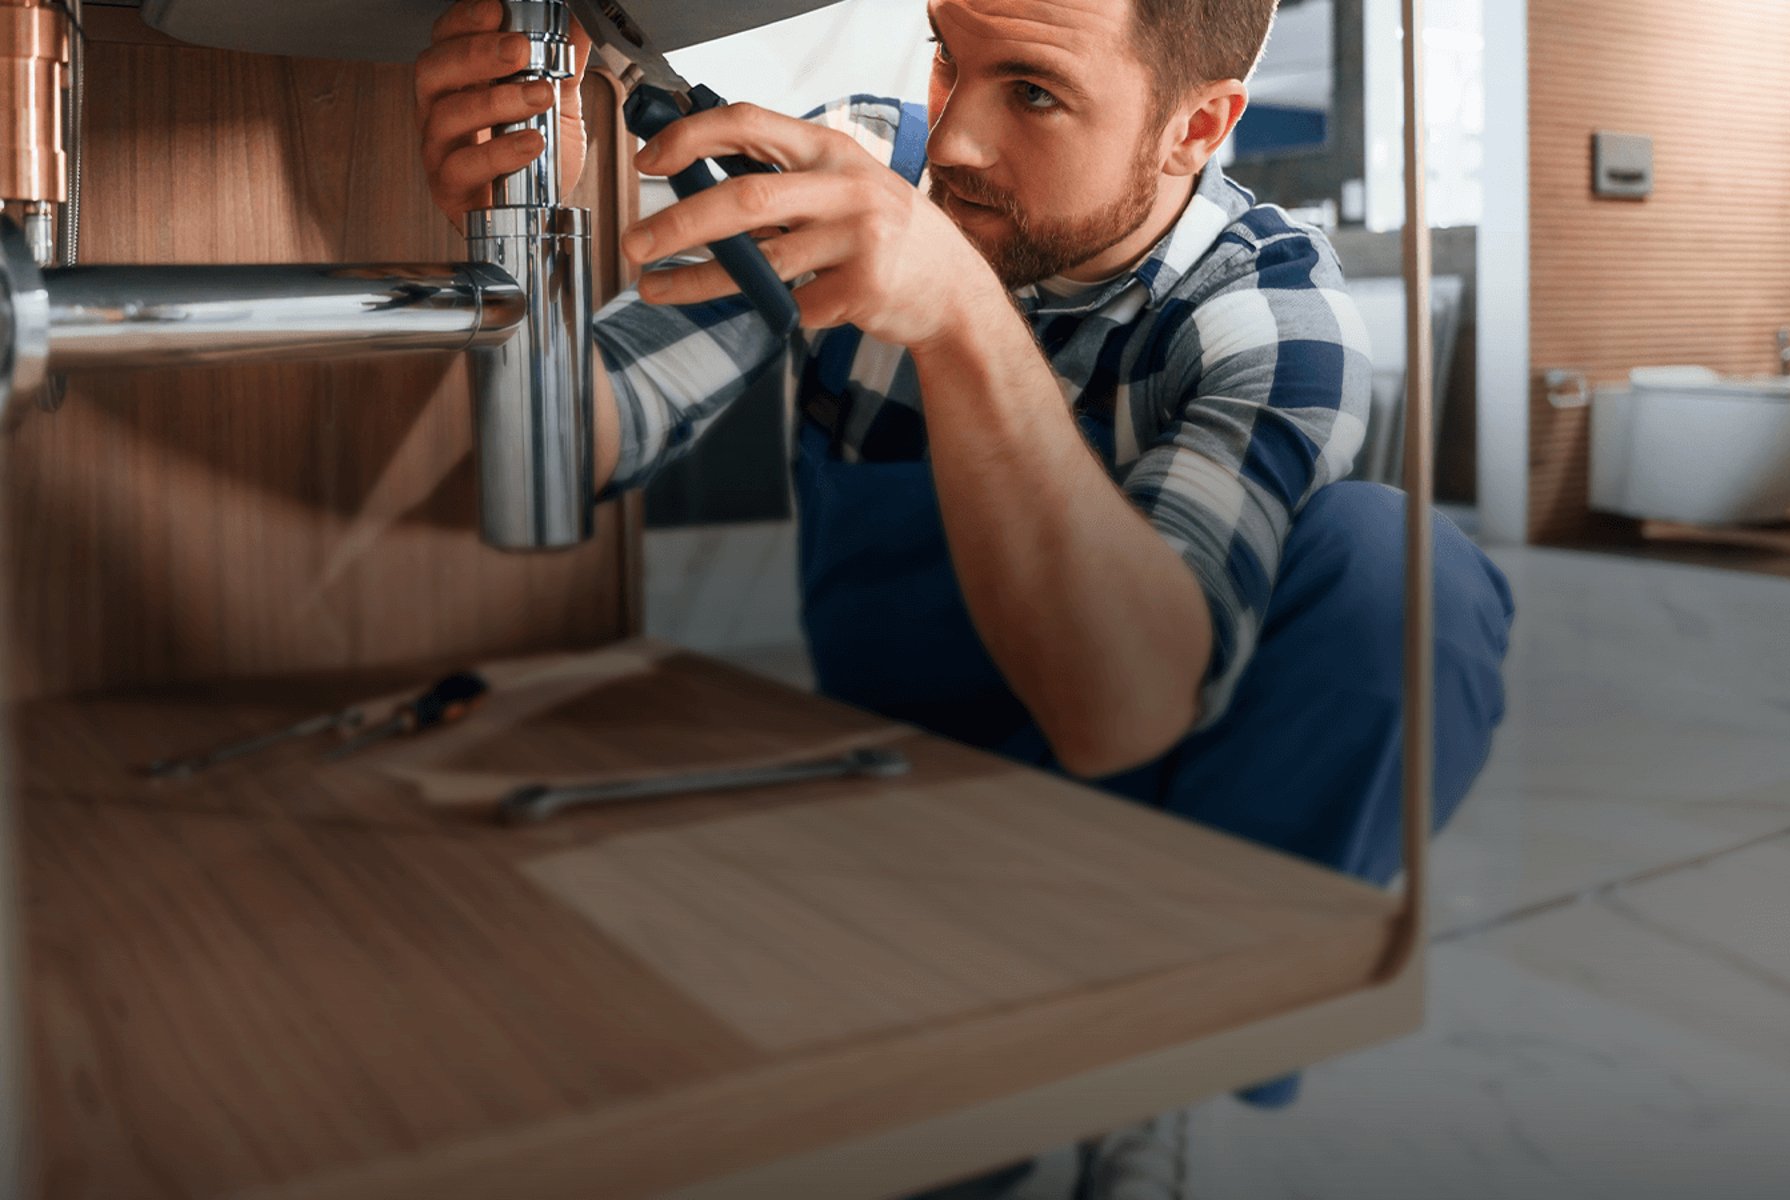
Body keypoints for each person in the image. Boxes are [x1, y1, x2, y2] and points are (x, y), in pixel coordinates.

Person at [416, 1, 1515, 1195]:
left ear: (1197, 127)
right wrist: (505, 242)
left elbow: (1125, 713)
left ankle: (1159, 1056)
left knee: (1402, 571)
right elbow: (578, 437)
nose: (951, 142)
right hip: (899, 802)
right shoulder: (860, 180)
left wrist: (957, 319)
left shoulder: (1270, 314)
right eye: (950, 54)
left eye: (1033, 93)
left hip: (1159, 819)